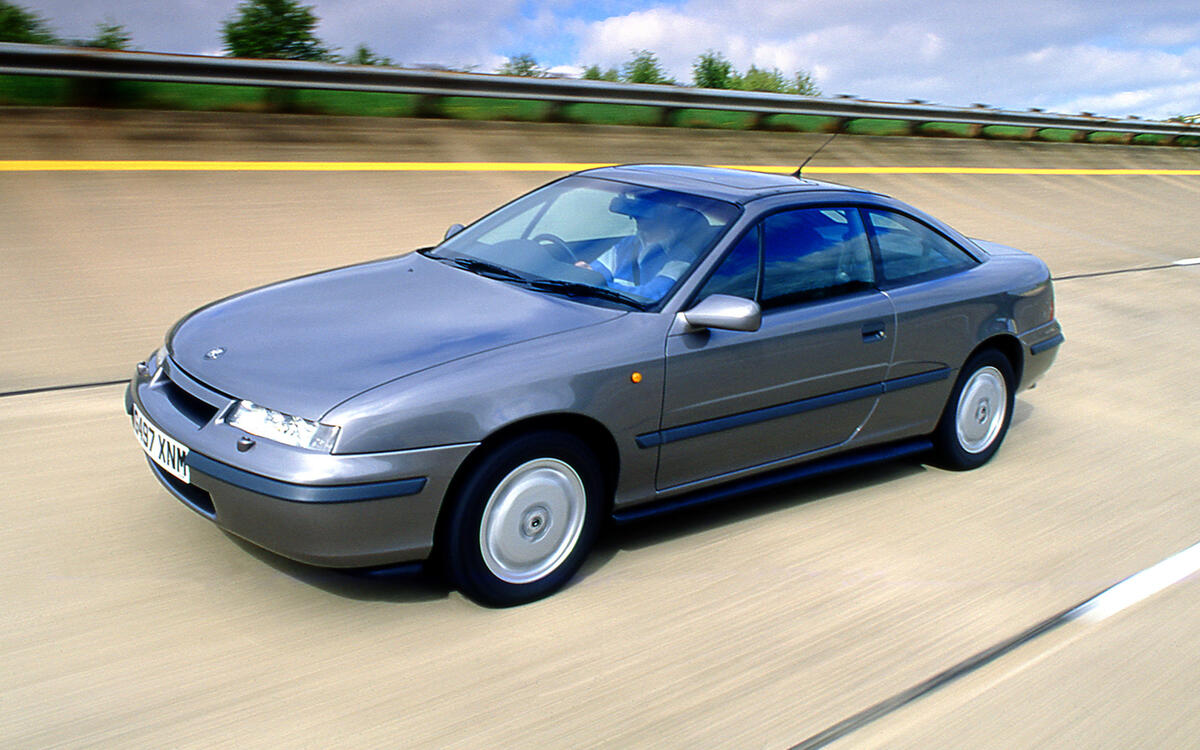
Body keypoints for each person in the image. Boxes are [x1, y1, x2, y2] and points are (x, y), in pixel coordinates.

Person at [576, 199, 704, 301]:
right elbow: (595, 274)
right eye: (637, 202)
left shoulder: (683, 256)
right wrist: (585, 273)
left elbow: (650, 296)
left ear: (666, 211)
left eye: (645, 205)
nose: (636, 212)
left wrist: (598, 286)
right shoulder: (627, 243)